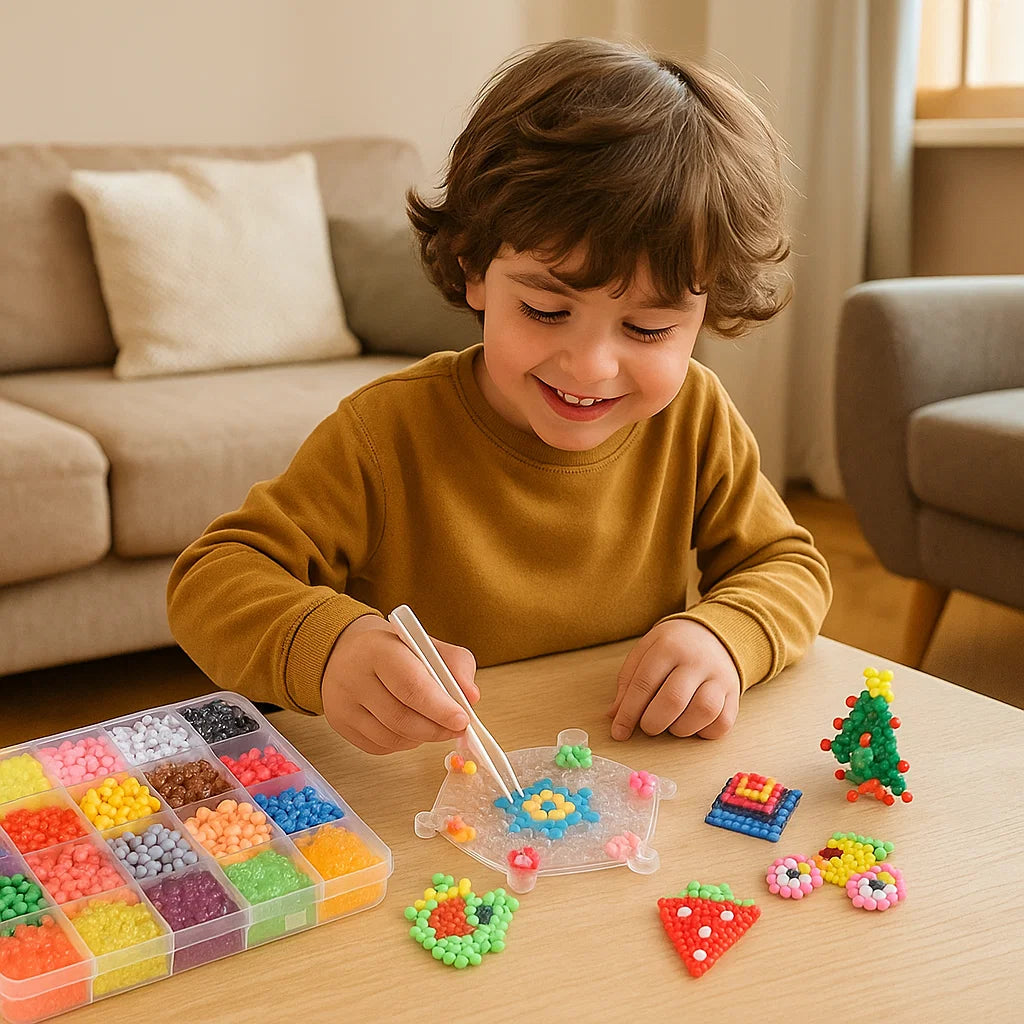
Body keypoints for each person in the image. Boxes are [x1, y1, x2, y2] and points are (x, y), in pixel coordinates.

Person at [167, 37, 832, 756]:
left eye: (647, 327)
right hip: (432, 797)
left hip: (625, 785)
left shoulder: (694, 417)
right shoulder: (385, 432)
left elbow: (788, 566)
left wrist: (723, 634)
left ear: (705, 314)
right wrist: (332, 647)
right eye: (547, 311)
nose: (591, 366)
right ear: (475, 269)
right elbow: (212, 578)